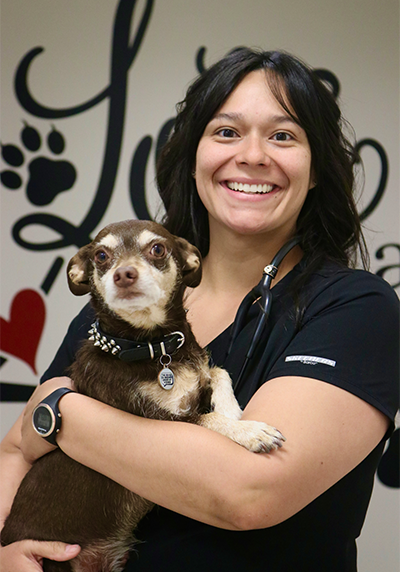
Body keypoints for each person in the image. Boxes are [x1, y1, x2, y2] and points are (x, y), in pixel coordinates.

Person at [1, 47, 400, 572]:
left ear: (319, 168)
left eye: (283, 135)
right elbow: (15, 452)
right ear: (194, 160)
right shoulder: (119, 308)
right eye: (227, 132)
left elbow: (248, 492)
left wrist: (59, 410)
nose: (253, 155)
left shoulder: (356, 308)